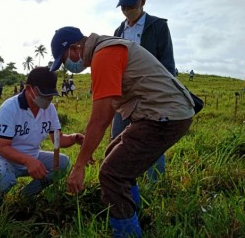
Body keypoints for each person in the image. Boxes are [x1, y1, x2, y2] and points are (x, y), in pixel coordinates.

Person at [50, 26, 194, 237]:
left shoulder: (104, 56)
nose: (68, 66)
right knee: (114, 158)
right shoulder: (105, 50)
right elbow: (106, 113)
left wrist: (79, 165)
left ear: (74, 48)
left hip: (164, 117)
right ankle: (134, 213)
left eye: (64, 60)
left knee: (111, 174)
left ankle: (127, 232)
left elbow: (99, 120)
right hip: (160, 113)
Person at [0, 67, 84, 205]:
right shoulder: (9, 108)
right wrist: (28, 161)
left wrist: (74, 138)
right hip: (2, 159)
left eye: (50, 95)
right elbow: (3, 148)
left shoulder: (50, 109)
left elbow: (57, 139)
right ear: (28, 88)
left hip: (32, 157)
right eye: (43, 94)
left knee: (63, 163)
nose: (48, 99)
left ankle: (25, 195)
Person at [111, 0, 176, 183]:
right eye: (123, 7)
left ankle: (155, 184)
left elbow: (167, 63)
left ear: (143, 2)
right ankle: (120, 180)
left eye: (131, 6)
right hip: (126, 95)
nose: (127, 11)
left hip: (150, 93)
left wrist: (161, 93)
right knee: (118, 137)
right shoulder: (119, 31)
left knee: (151, 139)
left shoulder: (157, 27)